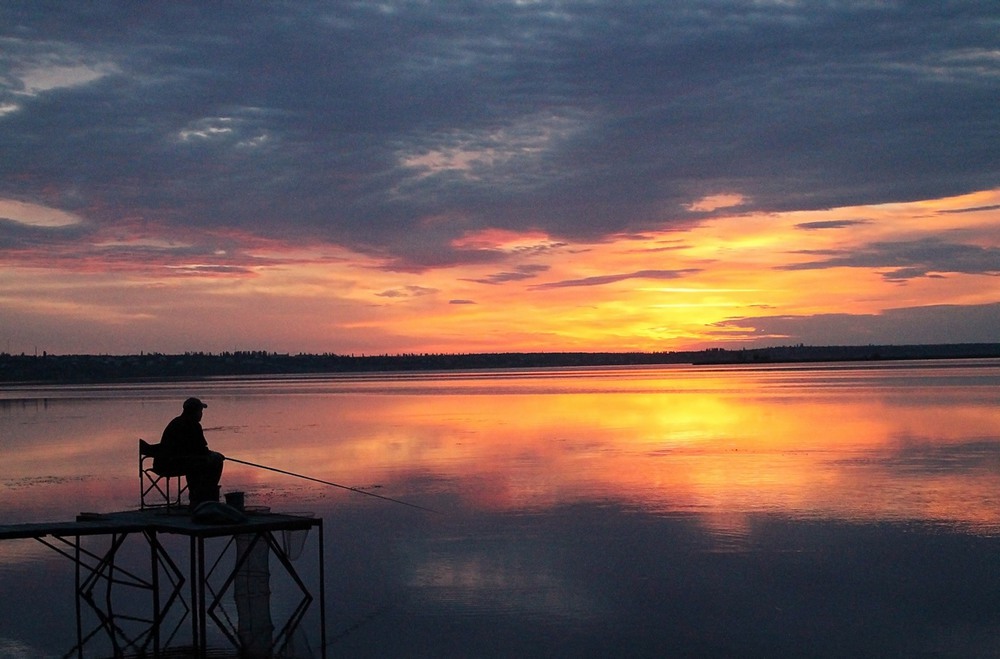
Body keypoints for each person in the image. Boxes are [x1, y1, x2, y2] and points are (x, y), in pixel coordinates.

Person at [155, 397, 225, 508]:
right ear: (195, 411)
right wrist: (215, 455)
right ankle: (205, 495)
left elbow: (197, 449)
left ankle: (199, 496)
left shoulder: (175, 422)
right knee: (216, 461)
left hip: (163, 463)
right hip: (175, 463)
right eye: (200, 411)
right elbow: (201, 450)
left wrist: (208, 454)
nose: (201, 414)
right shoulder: (194, 425)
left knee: (199, 461)